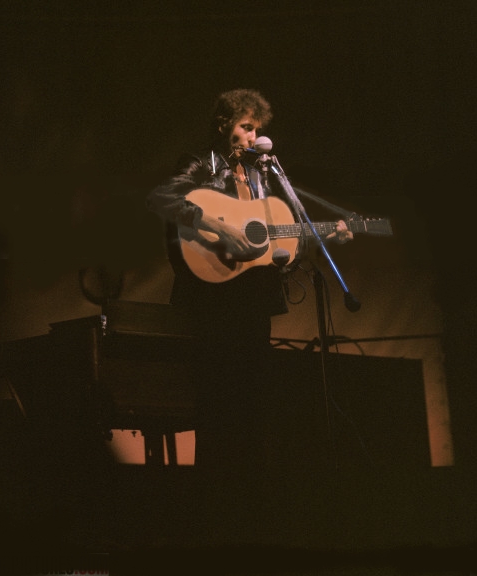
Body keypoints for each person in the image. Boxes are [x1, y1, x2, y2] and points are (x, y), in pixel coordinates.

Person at [145, 88, 352, 539]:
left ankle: (254, 520)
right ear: (224, 125)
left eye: (257, 128)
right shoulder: (201, 163)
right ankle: (212, 520)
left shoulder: (262, 177)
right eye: (246, 126)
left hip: (253, 302)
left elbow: (274, 243)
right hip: (212, 303)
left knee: (254, 408)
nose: (254, 135)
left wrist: (321, 236)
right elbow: (162, 198)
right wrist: (217, 226)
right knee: (218, 407)